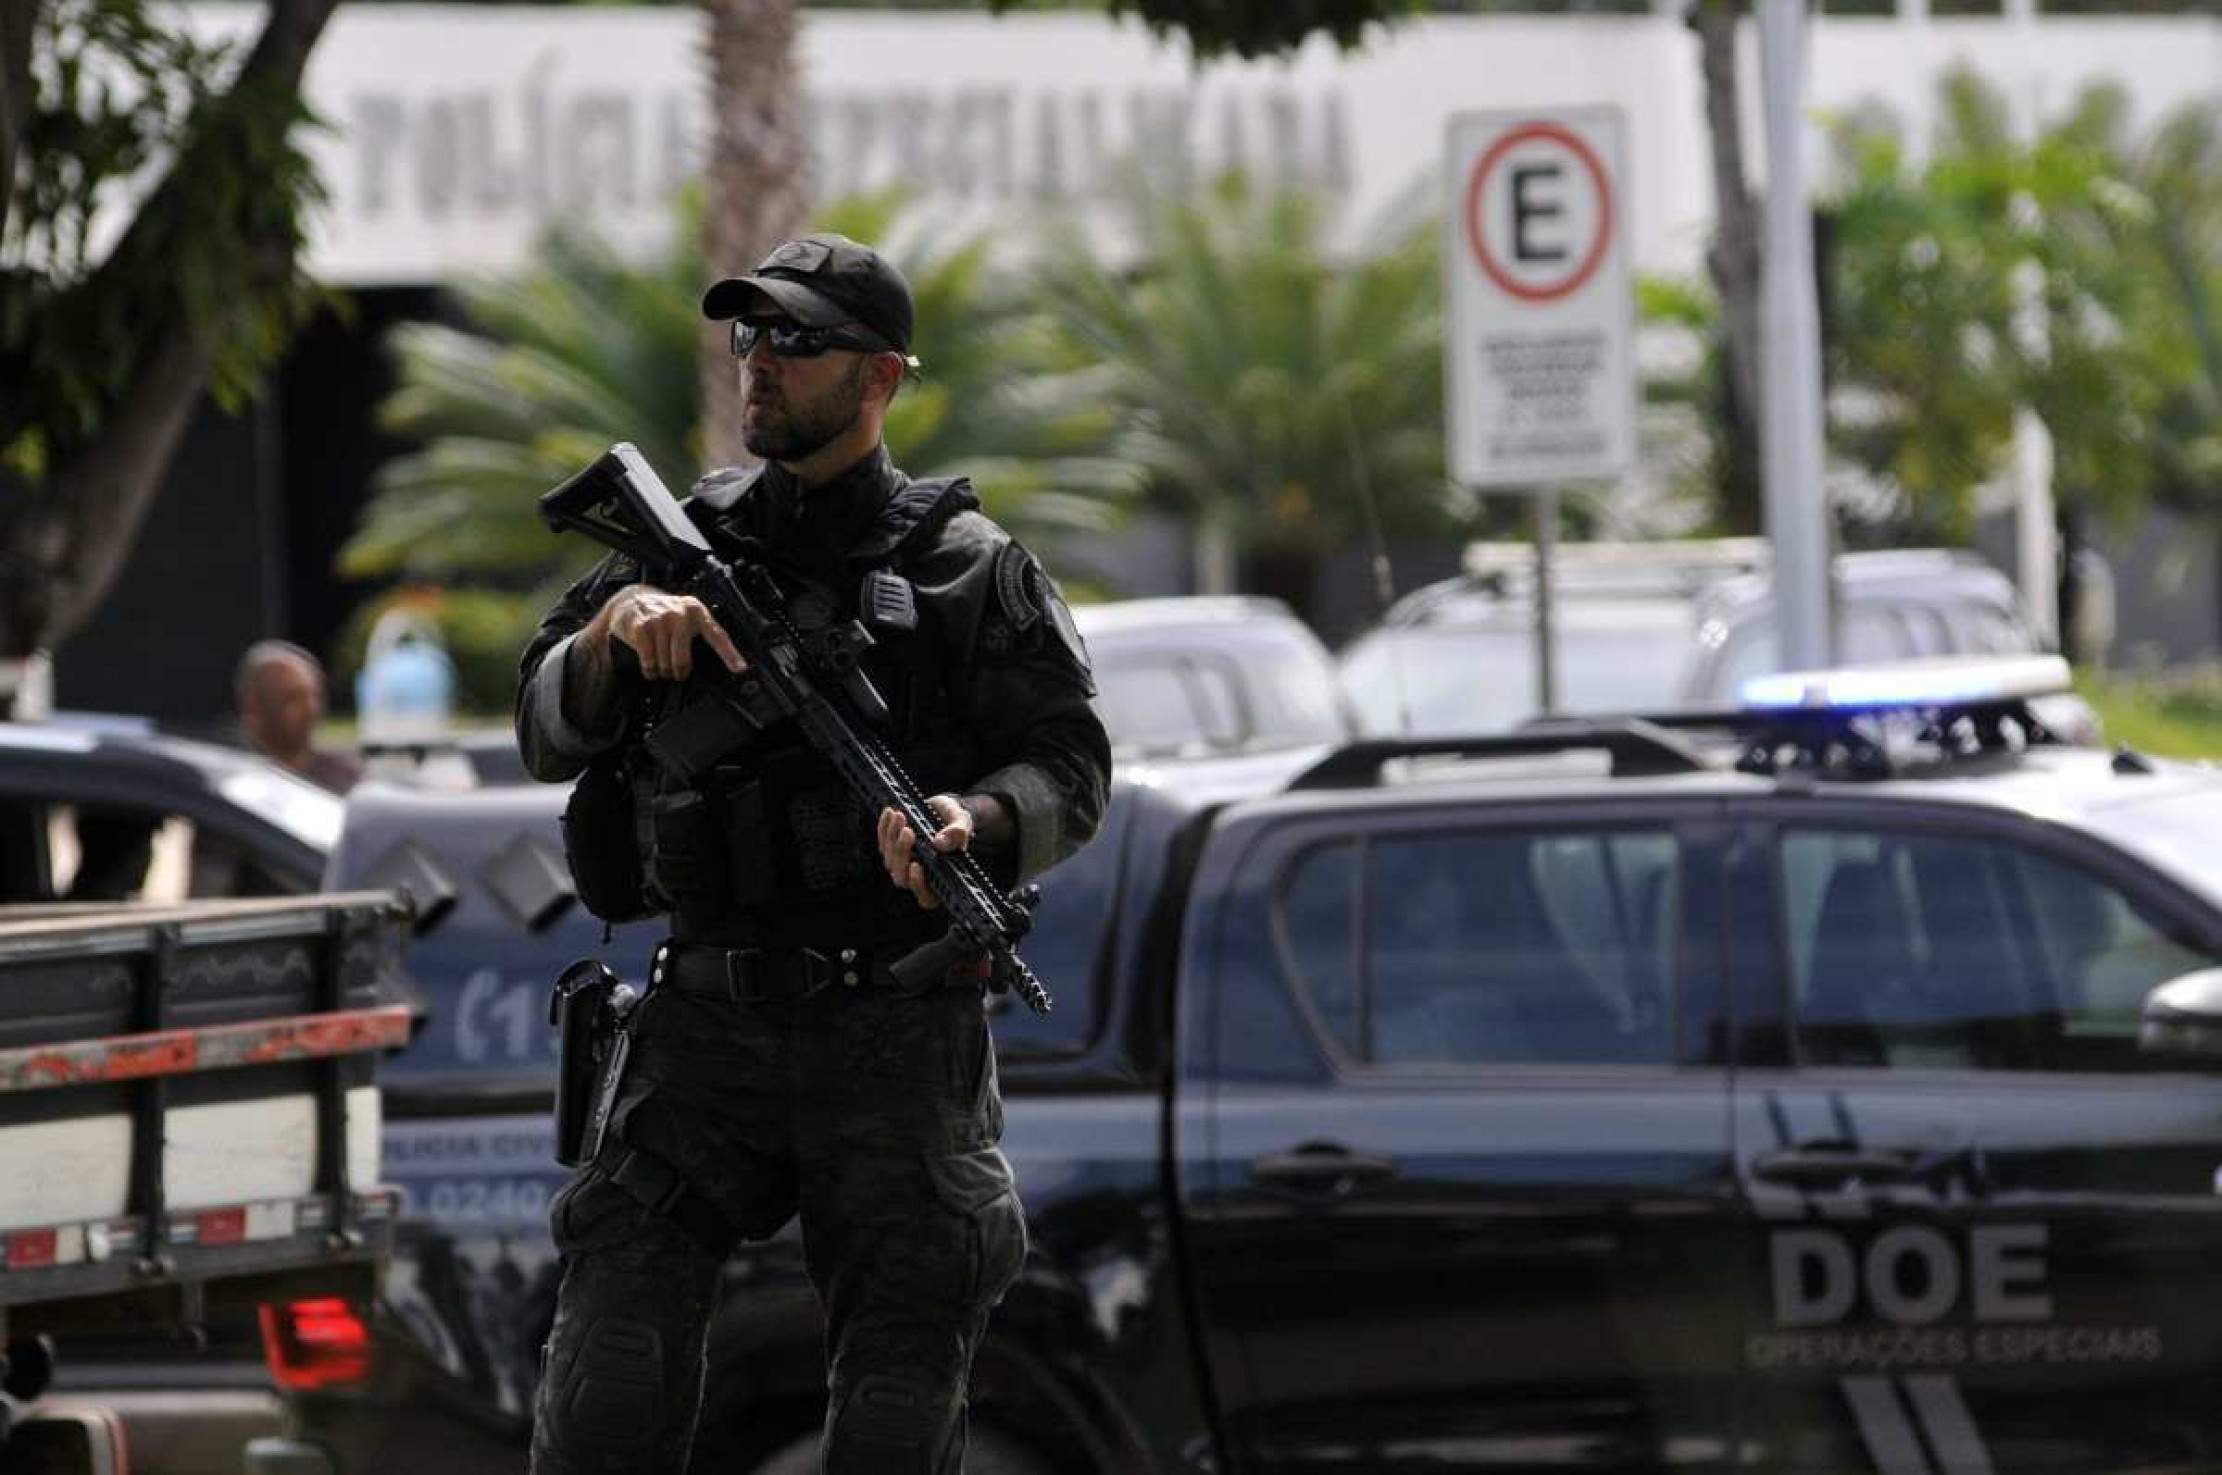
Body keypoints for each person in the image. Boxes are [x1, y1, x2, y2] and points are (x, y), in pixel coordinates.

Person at [516, 232, 1112, 1474]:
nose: (760, 365)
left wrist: (973, 821)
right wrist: (613, 637)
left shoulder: (966, 570)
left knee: (897, 1406)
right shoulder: (674, 546)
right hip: (703, 1031)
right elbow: (539, 726)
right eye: (748, 336)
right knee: (603, 1396)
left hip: (892, 1031)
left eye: (798, 340)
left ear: (881, 375)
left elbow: (1070, 767)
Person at [234, 640, 363, 793]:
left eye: (314, 696)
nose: (310, 709)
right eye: (293, 699)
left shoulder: (345, 776)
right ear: (254, 707)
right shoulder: (234, 778)